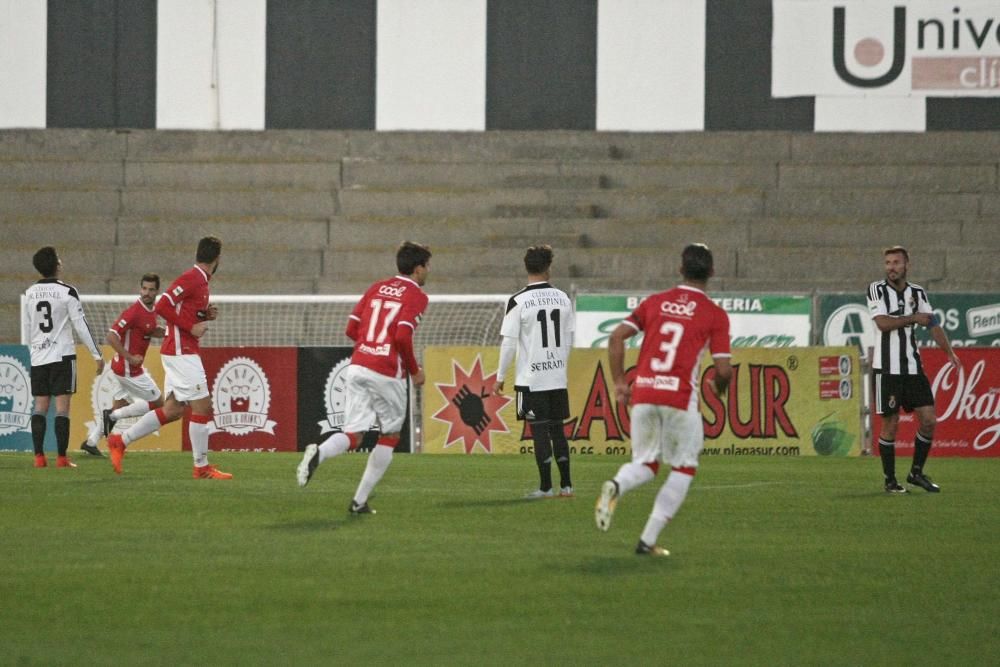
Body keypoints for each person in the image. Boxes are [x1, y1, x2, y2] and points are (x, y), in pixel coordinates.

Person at [594, 243, 732, 556]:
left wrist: (619, 383)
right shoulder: (714, 314)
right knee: (683, 467)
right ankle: (647, 540)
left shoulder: (655, 303)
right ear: (711, 272)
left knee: (645, 463)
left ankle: (617, 484)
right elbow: (724, 370)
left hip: (643, 392)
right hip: (680, 398)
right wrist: (719, 387)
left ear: (680, 269)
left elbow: (616, 337)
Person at [297, 241, 431, 514]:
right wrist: (414, 370)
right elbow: (403, 336)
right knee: (390, 435)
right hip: (386, 371)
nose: (428, 271)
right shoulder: (417, 295)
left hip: (358, 365)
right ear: (418, 269)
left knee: (354, 435)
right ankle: (358, 501)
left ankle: (319, 453)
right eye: (427, 266)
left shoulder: (376, 287)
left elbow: (351, 328)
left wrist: (369, 346)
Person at [107, 237, 232, 479]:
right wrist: (191, 327)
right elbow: (163, 304)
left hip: (179, 350)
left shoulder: (201, 282)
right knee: (203, 405)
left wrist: (204, 315)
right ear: (217, 259)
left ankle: (120, 441)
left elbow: (182, 309)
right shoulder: (193, 277)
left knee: (173, 410)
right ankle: (201, 466)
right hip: (181, 351)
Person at [867, 246, 960, 494]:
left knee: (929, 420)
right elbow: (883, 324)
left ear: (907, 265)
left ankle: (916, 473)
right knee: (891, 423)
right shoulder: (876, 289)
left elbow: (932, 323)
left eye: (896, 262)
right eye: (888, 263)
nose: (891, 267)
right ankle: (890, 481)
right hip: (886, 369)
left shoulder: (917, 293)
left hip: (912, 367)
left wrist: (949, 352)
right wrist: (912, 318)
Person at [491, 245, 575, 498]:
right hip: (557, 376)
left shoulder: (518, 300)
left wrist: (500, 377)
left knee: (539, 430)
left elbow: (508, 342)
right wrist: (559, 365)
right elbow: (569, 338)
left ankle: (546, 487)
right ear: (549, 267)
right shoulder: (563, 298)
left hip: (531, 379)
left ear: (526, 267)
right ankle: (567, 485)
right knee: (558, 429)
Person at [22, 247, 105, 468]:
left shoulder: (30, 293)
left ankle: (39, 457)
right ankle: (61, 458)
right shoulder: (67, 292)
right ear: (56, 265)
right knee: (62, 408)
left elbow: (29, 327)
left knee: (39, 406)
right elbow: (80, 325)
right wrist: (96, 354)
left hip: (39, 356)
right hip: (62, 356)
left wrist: (35, 351)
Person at [80, 273, 166, 456]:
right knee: (159, 403)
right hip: (129, 370)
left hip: (124, 369)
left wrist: (168, 333)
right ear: (140, 289)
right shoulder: (134, 312)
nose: (147, 293)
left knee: (119, 404)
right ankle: (113, 417)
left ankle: (91, 442)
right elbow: (111, 336)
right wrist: (129, 357)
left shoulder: (151, 311)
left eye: (151, 290)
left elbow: (150, 329)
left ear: (157, 291)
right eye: (144, 288)